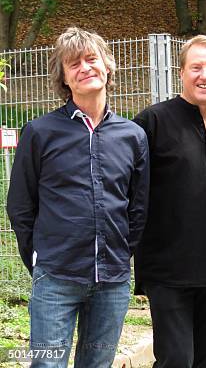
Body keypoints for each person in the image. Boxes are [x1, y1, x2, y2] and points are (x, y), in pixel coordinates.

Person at [7, 27, 149, 367]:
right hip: (57, 276)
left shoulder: (133, 136)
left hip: (112, 280)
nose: (85, 68)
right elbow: (21, 207)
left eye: (91, 59)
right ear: (64, 78)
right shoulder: (39, 132)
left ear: (107, 66)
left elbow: (139, 207)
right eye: (74, 64)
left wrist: (119, 251)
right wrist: (42, 259)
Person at [133, 35, 206, 367]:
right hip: (168, 269)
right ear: (181, 72)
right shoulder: (151, 122)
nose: (204, 75)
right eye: (196, 67)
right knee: (176, 360)